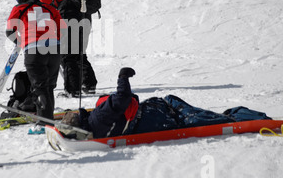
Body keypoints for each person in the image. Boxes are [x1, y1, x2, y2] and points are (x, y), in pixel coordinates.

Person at [63, 67, 271, 139]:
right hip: (157, 115)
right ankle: (258, 120)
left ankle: (239, 115)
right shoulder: (98, 118)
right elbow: (122, 97)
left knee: (208, 117)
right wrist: (122, 76)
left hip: (156, 111)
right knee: (215, 121)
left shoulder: (93, 123)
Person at [6, 0, 64, 134]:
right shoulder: (49, 8)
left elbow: (9, 31)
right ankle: (48, 120)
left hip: (34, 48)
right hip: (54, 48)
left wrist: (21, 42)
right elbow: (62, 29)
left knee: (40, 87)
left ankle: (44, 124)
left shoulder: (19, 8)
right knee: (48, 86)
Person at [40, 0, 99, 97]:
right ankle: (89, 84)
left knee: (67, 55)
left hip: (69, 17)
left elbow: (44, 0)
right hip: (86, 17)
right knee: (79, 52)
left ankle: (72, 90)